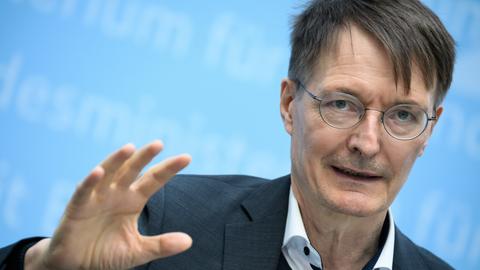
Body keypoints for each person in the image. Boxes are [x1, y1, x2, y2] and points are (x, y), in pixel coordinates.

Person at [0, 0, 456, 269]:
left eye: (402, 115)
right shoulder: (168, 226)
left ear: (428, 129)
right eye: (341, 104)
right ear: (288, 106)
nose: (367, 143)